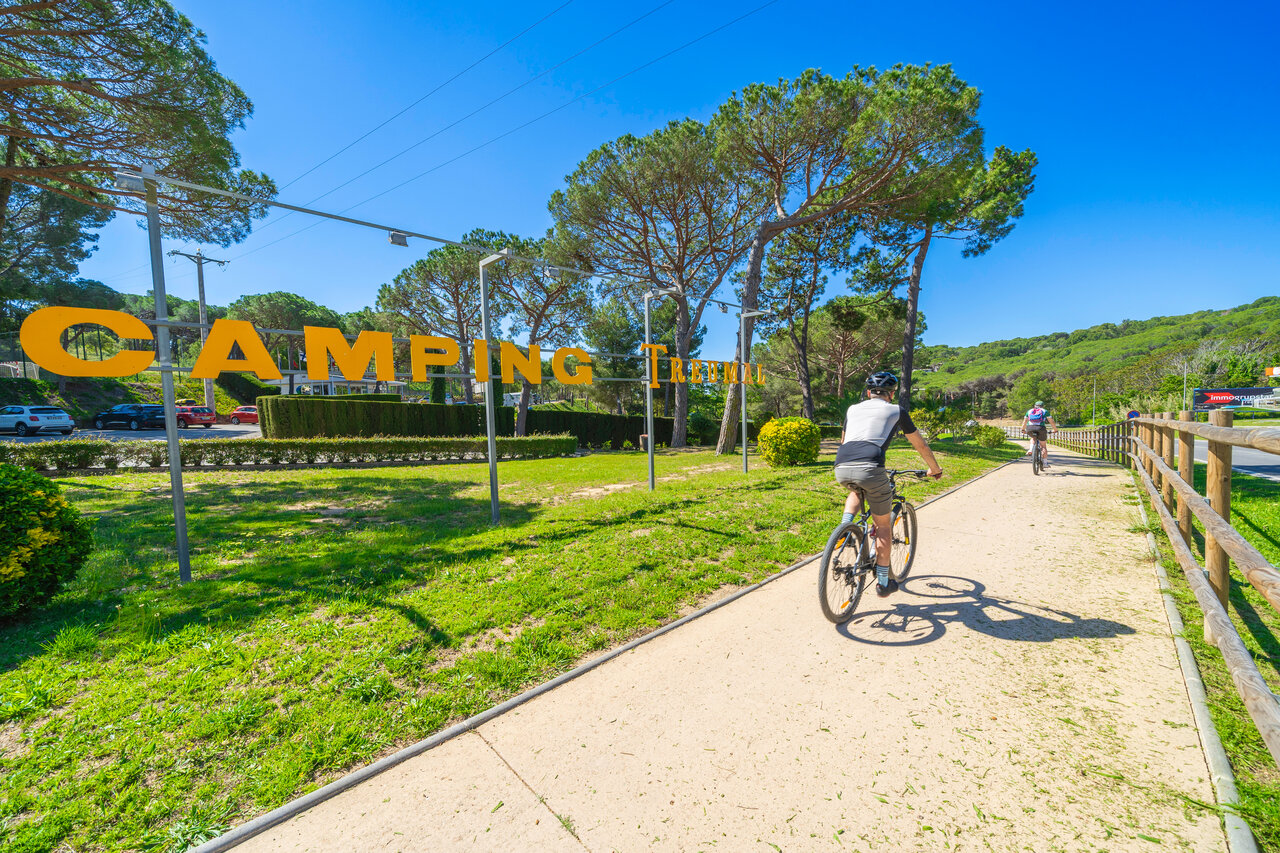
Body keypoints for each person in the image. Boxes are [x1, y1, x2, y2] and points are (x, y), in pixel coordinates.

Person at [834, 371, 943, 597]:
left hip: (842, 465)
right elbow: (920, 445)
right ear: (891, 394)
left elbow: (844, 440)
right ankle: (884, 582)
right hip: (871, 467)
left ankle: (843, 529)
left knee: (857, 489)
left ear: (868, 393)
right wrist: (934, 468)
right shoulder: (896, 410)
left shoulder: (852, 409)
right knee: (883, 527)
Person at [1022, 400, 1058, 468]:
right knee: (1043, 446)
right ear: (1042, 406)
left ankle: (1030, 449)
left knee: (1033, 438)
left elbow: (1025, 421)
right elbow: (1051, 422)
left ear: (1035, 406)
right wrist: (1055, 429)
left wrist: (1023, 429)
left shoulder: (1029, 411)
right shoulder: (1045, 411)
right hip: (1040, 428)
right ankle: (1045, 463)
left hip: (1030, 428)